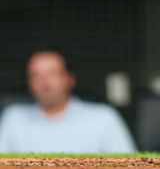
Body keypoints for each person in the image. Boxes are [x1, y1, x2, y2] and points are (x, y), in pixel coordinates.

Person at [0, 49, 136, 154]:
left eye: (52, 73)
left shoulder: (104, 118)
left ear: (69, 79)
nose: (44, 82)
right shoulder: (13, 118)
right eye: (35, 75)